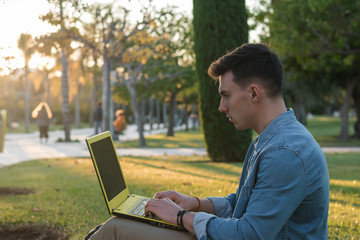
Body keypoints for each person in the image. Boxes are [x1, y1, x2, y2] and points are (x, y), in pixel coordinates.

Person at [85, 43, 330, 240]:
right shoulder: (273, 140)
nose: (221, 107)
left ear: (254, 93)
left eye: (226, 96)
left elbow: (249, 234)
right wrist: (196, 204)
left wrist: (181, 216)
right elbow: (242, 203)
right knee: (123, 224)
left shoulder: (283, 152)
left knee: (116, 229)